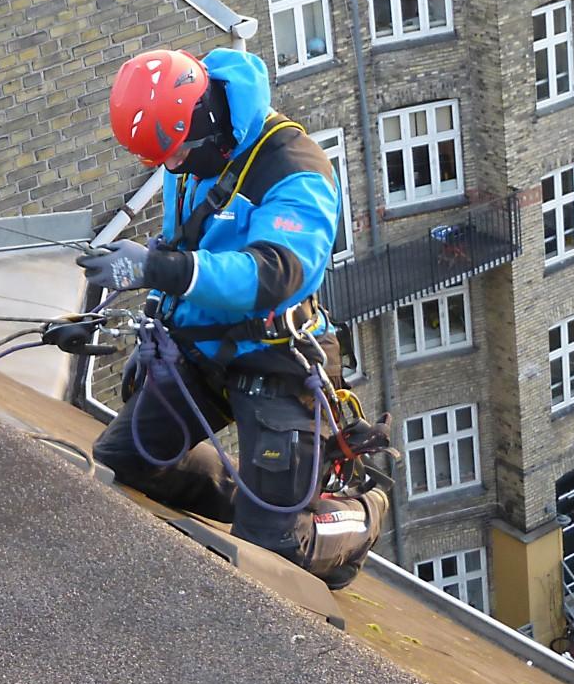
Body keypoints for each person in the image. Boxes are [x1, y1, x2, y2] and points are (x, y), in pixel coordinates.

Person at [77, 47, 390, 590]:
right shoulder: (195, 153)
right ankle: (259, 499)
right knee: (124, 460)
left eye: (178, 153)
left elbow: (274, 272)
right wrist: (144, 317)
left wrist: (156, 269)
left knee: (273, 548)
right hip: (201, 349)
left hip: (273, 359)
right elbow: (183, 242)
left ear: (207, 118)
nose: (172, 168)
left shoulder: (296, 169)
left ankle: (361, 514)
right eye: (164, 160)